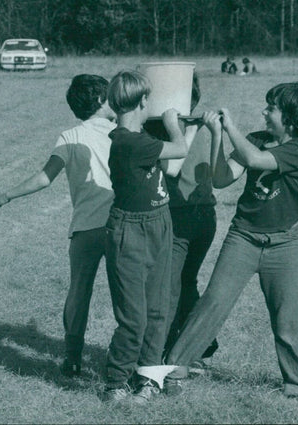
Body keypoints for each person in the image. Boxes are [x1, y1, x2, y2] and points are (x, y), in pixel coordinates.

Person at [164, 82, 298, 399]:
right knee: (214, 301)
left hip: (285, 243)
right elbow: (222, 179)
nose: (265, 113)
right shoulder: (255, 139)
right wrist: (217, 135)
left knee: (287, 314)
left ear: (290, 118)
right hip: (244, 237)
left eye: (271, 108)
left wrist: (230, 125)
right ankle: (176, 366)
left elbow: (255, 161)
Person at [0, 74, 115, 376]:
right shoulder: (122, 132)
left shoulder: (70, 136)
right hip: (119, 227)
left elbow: (45, 177)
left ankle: (72, 357)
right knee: (124, 293)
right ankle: (124, 356)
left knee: (78, 292)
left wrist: (8, 194)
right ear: (101, 100)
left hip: (85, 228)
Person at [100, 70, 187, 404]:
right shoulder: (128, 142)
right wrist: (171, 121)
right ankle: (116, 382)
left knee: (158, 308)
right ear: (143, 102)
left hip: (158, 221)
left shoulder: (135, 136)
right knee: (134, 316)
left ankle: (148, 377)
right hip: (130, 230)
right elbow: (178, 148)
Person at [142, 74, 220, 368]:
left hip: (181, 217)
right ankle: (197, 347)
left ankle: (159, 355)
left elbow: (172, 169)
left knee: (168, 288)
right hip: (205, 216)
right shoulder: (203, 123)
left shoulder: (168, 131)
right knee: (187, 282)